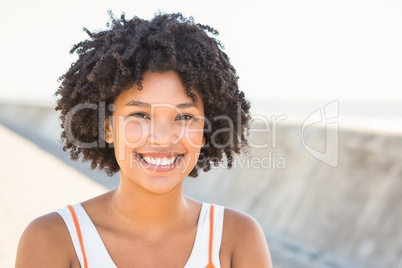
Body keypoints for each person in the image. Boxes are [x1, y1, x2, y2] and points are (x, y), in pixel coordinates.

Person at [15, 11, 272, 268]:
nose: (162, 138)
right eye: (140, 115)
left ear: (207, 128)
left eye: (183, 116)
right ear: (108, 127)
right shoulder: (54, 239)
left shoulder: (237, 239)